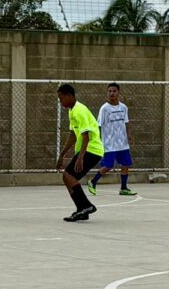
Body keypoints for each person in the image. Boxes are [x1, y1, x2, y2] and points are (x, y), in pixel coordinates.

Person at [56, 84, 104, 222]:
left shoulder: (79, 111)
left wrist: (80, 157)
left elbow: (86, 136)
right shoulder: (72, 111)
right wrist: (62, 155)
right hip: (86, 149)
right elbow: (73, 135)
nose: (60, 102)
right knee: (67, 177)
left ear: (70, 96)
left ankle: (86, 206)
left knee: (69, 176)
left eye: (61, 98)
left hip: (92, 149)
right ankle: (82, 209)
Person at [87, 82, 137, 196]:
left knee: (125, 165)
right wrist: (97, 140)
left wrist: (129, 135)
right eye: (109, 91)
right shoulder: (104, 108)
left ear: (118, 92)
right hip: (109, 144)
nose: (111, 93)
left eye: (114, 91)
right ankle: (93, 181)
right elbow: (98, 125)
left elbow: (127, 122)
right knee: (108, 165)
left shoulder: (123, 107)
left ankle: (124, 188)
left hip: (122, 143)